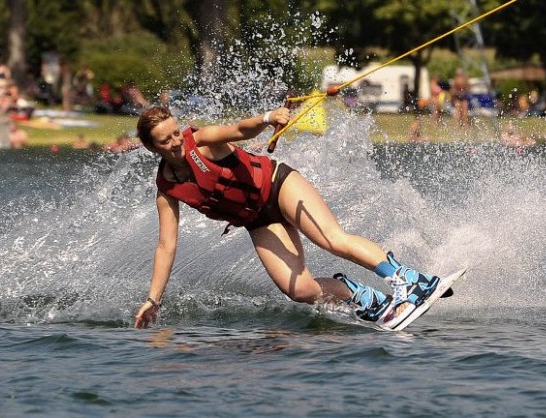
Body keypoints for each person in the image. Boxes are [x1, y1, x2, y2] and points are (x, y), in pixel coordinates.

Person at [134, 106, 443, 329]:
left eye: (176, 133)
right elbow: (166, 246)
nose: (176, 142)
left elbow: (239, 130)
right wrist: (153, 300)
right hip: (258, 219)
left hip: (278, 186)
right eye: (166, 141)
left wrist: (267, 119)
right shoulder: (168, 191)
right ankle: (368, 299)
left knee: (330, 239)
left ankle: (411, 280)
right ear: (151, 147)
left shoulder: (200, 140)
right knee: (299, 291)